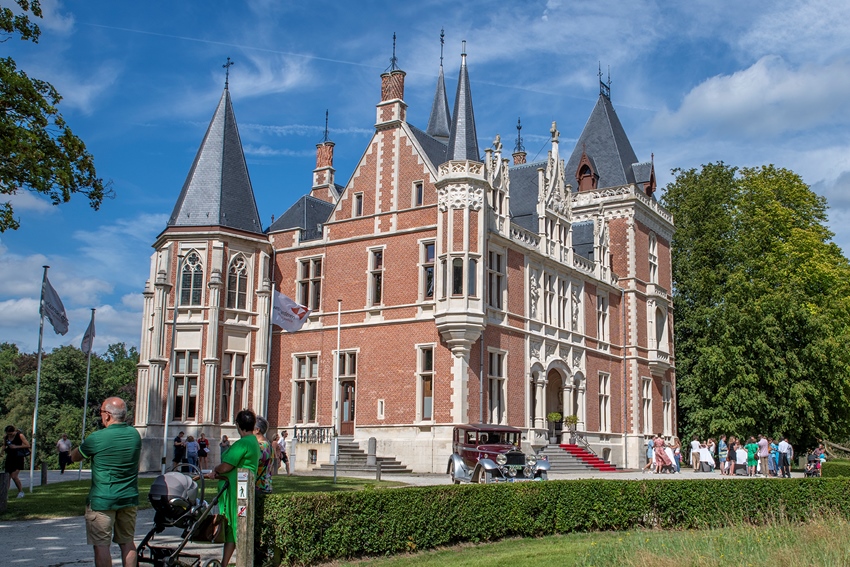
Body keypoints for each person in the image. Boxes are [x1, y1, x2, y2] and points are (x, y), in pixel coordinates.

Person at [70, 397, 141, 567]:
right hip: (128, 497)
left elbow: (75, 457)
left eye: (101, 412)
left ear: (107, 415)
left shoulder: (97, 437)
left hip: (102, 499)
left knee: (101, 545)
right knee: (127, 542)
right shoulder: (134, 435)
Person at [204, 409, 260, 567]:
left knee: (236, 526)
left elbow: (226, 466)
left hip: (236, 491)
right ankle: (224, 563)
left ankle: (242, 561)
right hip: (236, 490)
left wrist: (215, 470)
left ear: (238, 425)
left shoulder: (244, 442)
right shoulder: (253, 441)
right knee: (230, 529)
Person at [3, 425, 30, 498]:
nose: (9, 435)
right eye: (8, 434)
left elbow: (27, 445)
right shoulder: (6, 437)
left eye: (11, 434)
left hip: (18, 457)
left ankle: (21, 491)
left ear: (14, 431)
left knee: (14, 476)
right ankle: (5, 494)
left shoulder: (20, 435)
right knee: (7, 476)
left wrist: (16, 446)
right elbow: (4, 445)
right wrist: (2, 451)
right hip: (10, 457)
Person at [254, 416, 273, 493]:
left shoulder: (261, 446)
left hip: (260, 486)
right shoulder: (268, 443)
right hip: (266, 484)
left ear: (257, 430)